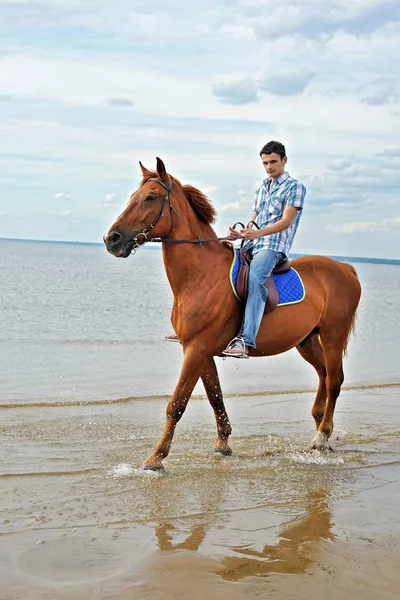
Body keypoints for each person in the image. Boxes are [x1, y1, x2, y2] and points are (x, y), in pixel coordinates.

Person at [222, 140, 306, 358]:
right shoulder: (261, 187)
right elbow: (254, 221)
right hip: (252, 242)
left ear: (284, 160)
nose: (269, 167)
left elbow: (286, 221)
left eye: (273, 162)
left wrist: (258, 233)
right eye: (265, 163)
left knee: (256, 278)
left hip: (274, 245)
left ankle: (245, 340)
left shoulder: (295, 187)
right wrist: (238, 234)